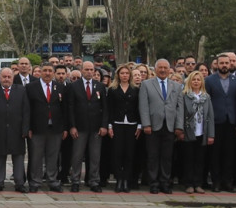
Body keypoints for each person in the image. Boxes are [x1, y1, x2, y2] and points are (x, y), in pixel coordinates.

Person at [139, 59, 184, 194]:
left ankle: (165, 182)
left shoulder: (175, 86)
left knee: (167, 157)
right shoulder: (146, 85)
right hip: (152, 126)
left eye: (165, 68)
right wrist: (146, 124)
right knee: (153, 156)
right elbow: (143, 106)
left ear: (169, 70)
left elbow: (179, 107)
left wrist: (179, 126)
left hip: (169, 126)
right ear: (156, 69)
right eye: (160, 68)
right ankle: (153, 183)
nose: (163, 70)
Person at [0, 68, 30, 193]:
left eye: (9, 77)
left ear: (12, 78)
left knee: (18, 157)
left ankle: (19, 183)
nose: (6, 79)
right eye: (4, 77)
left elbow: (26, 111)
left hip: (17, 130)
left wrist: (25, 129)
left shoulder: (21, 90)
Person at [26, 63, 68, 193]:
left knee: (53, 156)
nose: (48, 73)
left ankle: (52, 180)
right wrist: (28, 127)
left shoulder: (60, 87)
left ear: (54, 73)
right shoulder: (31, 87)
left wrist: (65, 128)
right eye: (45, 71)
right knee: (36, 156)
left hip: (55, 128)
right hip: (37, 128)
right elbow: (27, 109)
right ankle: (35, 181)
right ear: (40, 72)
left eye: (50, 71)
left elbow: (65, 109)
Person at [68, 61, 108, 193]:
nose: (90, 72)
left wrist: (103, 126)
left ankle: (94, 181)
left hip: (96, 128)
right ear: (82, 70)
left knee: (95, 156)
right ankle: (75, 181)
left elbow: (105, 108)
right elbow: (71, 108)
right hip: (80, 127)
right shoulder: (74, 86)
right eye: (87, 69)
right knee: (77, 156)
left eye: (92, 70)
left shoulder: (100, 86)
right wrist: (72, 126)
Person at [204, 54, 236, 193]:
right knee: (215, 154)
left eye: (227, 63)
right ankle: (216, 182)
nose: (225, 65)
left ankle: (228, 182)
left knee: (229, 154)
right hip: (215, 122)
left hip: (231, 122)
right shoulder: (209, 80)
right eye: (222, 63)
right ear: (217, 64)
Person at [107, 65, 140, 193]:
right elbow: (109, 109)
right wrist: (109, 125)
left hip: (132, 124)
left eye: (127, 73)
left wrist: (140, 125)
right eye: (122, 73)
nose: (125, 75)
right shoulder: (113, 90)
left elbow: (139, 108)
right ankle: (119, 179)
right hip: (117, 124)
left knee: (129, 153)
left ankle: (126, 179)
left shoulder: (136, 90)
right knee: (117, 153)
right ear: (118, 75)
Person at [181, 71, 215, 194]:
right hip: (189, 132)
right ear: (190, 81)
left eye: (198, 80)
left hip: (202, 132)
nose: (196, 82)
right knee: (189, 159)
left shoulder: (206, 97)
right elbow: (181, 114)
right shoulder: (184, 96)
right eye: (194, 80)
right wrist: (181, 130)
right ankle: (189, 184)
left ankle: (198, 184)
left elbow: (210, 117)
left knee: (200, 160)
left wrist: (211, 135)